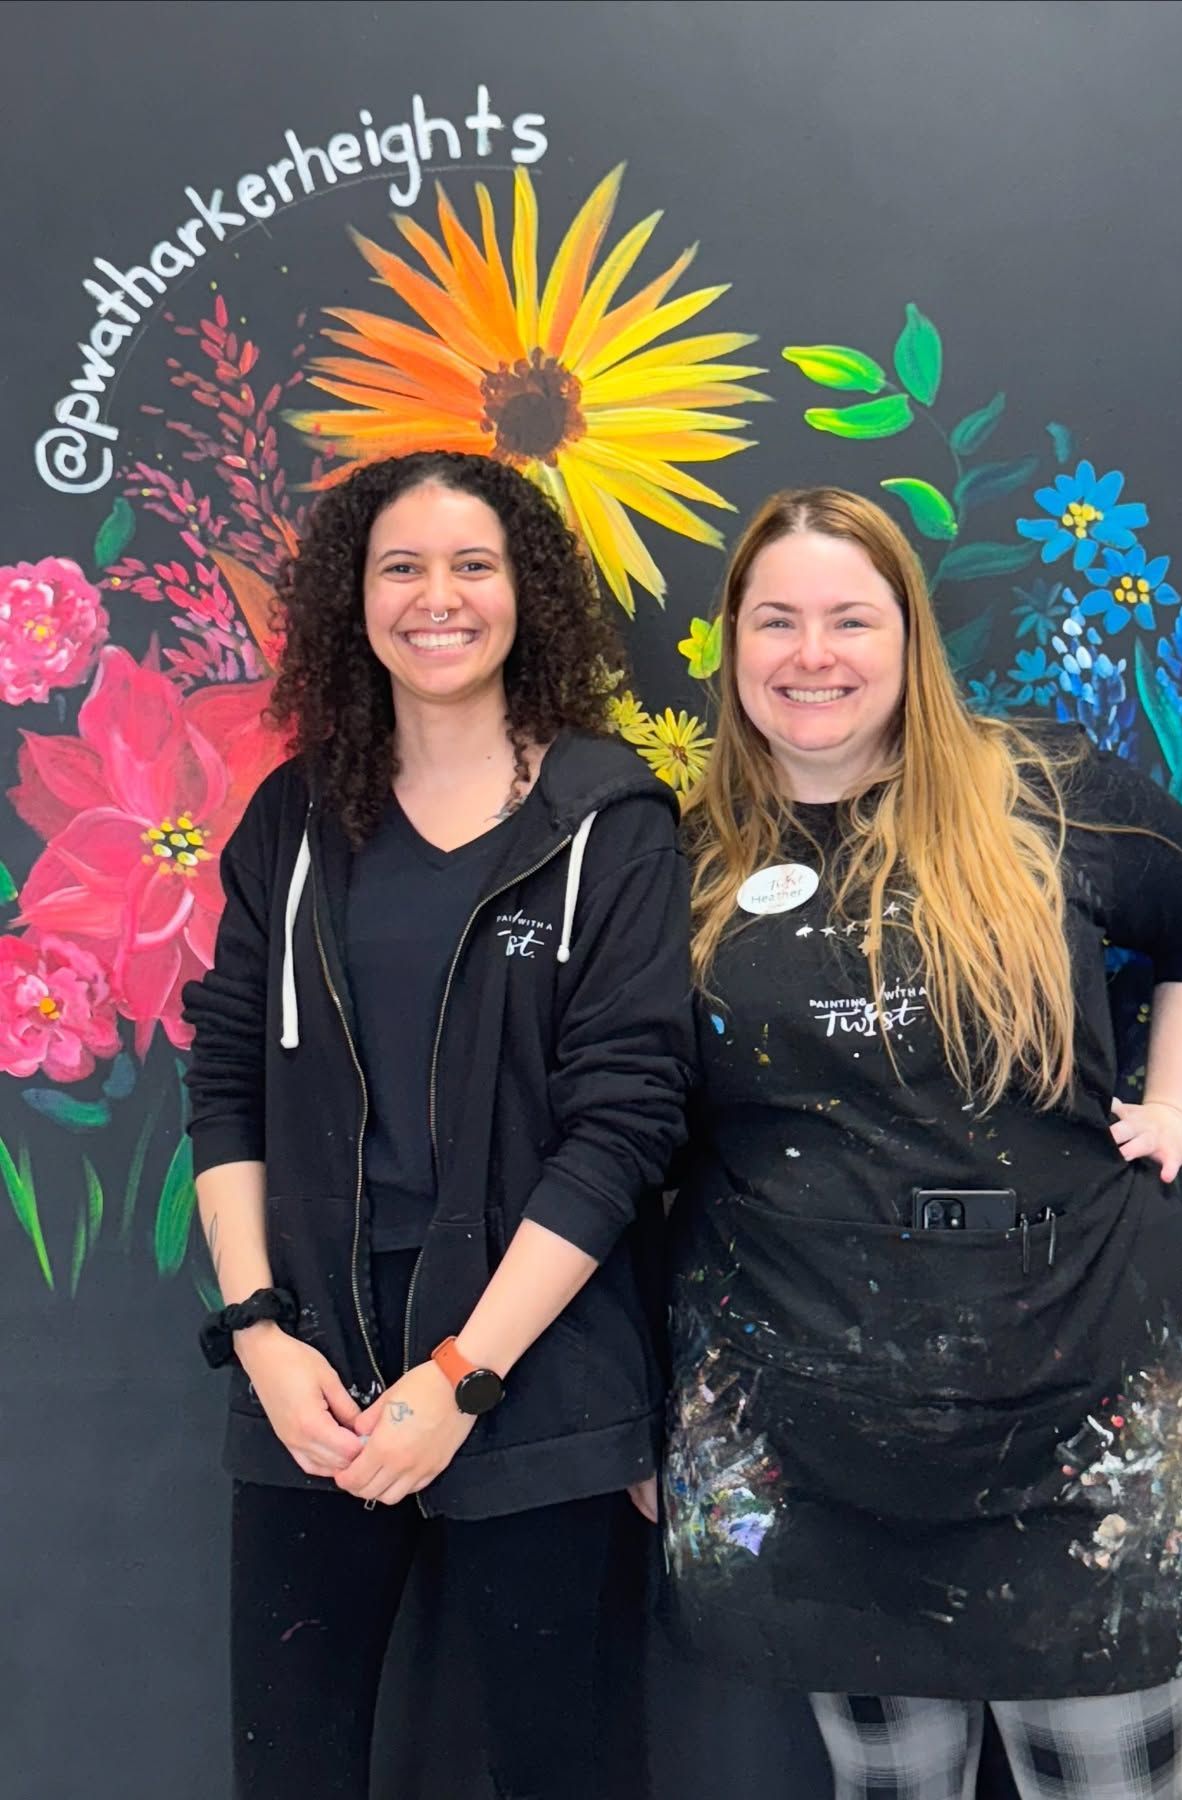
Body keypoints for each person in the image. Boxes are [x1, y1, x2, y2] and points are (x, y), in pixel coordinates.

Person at [661, 488, 1182, 1800]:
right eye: (777, 619)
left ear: (908, 636)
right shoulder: (685, 852)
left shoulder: (1035, 790)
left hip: (1079, 1382)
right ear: (730, 644)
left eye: (849, 618)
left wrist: (1176, 1105)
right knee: (890, 1789)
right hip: (818, 1417)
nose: (812, 653)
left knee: (1110, 1787)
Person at [183, 450, 693, 1800]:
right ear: (353, 601)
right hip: (314, 1382)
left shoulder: (610, 820)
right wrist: (259, 1334)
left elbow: (626, 1125)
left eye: (474, 564)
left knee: (557, 1768)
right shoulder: (289, 823)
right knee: (289, 1770)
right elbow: (225, 1078)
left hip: (537, 1369)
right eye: (399, 566)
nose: (437, 598)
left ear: (527, 595)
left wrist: (464, 1375)